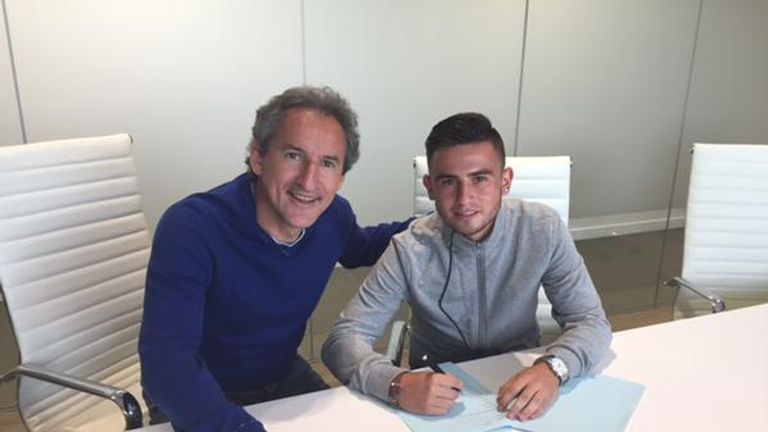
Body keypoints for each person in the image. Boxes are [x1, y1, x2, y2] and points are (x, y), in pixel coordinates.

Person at [139, 86, 411, 432]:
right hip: (199, 393)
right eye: (293, 156)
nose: (309, 181)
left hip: (281, 377)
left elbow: (365, 246)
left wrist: (442, 219)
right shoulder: (192, 227)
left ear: (341, 177)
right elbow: (167, 363)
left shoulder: (332, 218)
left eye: (327, 163)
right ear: (258, 156)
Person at [322, 112, 611, 422]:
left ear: (505, 181)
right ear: (431, 187)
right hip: (437, 389)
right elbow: (343, 339)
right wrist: (396, 382)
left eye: (480, 178)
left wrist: (554, 367)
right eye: (449, 182)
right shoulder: (408, 249)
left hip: (520, 376)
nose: (464, 199)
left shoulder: (543, 229)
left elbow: (590, 321)